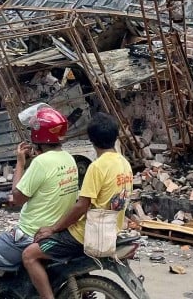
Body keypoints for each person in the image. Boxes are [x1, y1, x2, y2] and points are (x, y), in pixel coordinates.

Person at [0, 104, 79, 299]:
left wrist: (20, 163)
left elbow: (18, 197)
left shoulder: (41, 163)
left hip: (30, 234)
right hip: (58, 230)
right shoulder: (69, 159)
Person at [22, 112, 133, 299]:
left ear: (91, 139)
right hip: (110, 230)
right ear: (116, 136)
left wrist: (53, 228)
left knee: (29, 255)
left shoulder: (97, 167)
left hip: (85, 235)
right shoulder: (124, 163)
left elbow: (81, 206)